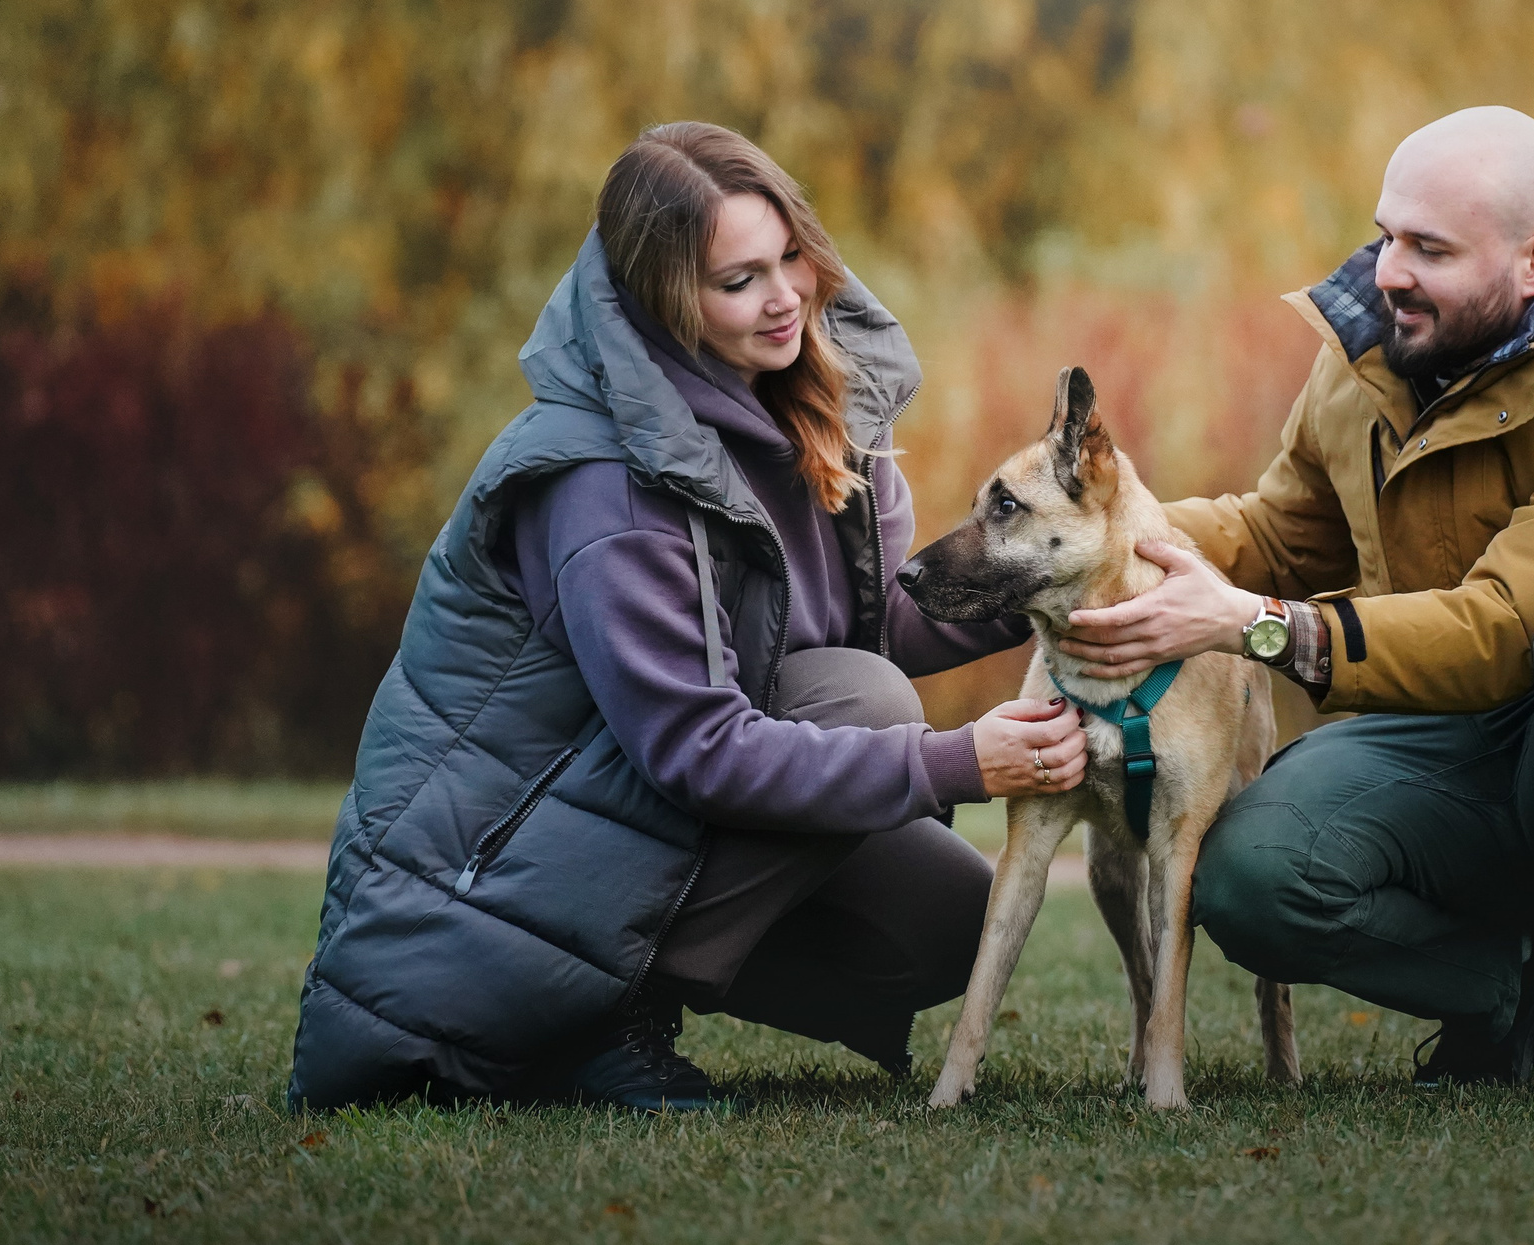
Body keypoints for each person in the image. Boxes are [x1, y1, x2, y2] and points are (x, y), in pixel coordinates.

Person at [288, 122, 1084, 1113]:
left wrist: (1068, 582)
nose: (786, 294)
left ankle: (617, 986)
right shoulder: (601, 479)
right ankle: (588, 1017)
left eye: (790, 254)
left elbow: (863, 625)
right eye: (739, 279)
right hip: (480, 888)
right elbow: (695, 746)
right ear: (666, 299)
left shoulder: (806, 403)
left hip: (624, 832)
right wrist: (955, 761)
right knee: (867, 703)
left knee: (948, 917)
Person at [1059, 106, 1534, 1099]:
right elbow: (1277, 535)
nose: (1387, 271)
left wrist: (1259, 624)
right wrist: (1078, 543)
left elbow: (1506, 626)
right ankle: (1511, 989)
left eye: (1427, 248)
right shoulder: (1374, 351)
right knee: (1246, 878)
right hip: (1454, 744)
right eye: (1385, 234)